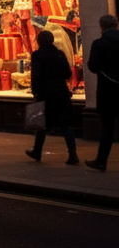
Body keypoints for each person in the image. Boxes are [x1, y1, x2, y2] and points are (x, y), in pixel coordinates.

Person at [24, 29, 79, 165]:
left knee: (41, 123)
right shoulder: (59, 54)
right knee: (66, 124)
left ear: (39, 41)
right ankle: (72, 154)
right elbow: (67, 73)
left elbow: (36, 75)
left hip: (45, 92)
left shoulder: (37, 55)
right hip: (61, 91)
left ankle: (37, 151)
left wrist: (35, 92)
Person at [87, 13, 119, 171]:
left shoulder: (99, 44)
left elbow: (92, 66)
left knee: (107, 128)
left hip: (107, 91)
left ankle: (101, 161)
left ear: (102, 27)